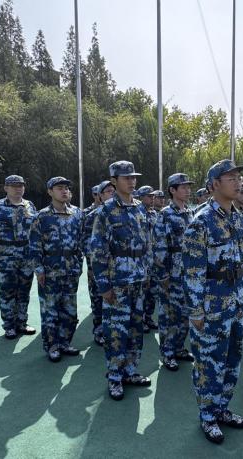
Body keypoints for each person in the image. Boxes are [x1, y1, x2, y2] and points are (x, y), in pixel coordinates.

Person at [182, 159, 243, 444]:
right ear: (214, 185)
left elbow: (241, 263)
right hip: (211, 308)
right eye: (231, 178)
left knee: (232, 360)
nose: (238, 182)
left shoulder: (238, 217)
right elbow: (192, 271)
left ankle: (221, 408)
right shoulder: (201, 222)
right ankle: (207, 416)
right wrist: (196, 310)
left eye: (238, 177)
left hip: (236, 303)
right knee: (209, 364)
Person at [90, 161, 151, 401]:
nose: (132, 181)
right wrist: (104, 285)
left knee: (136, 329)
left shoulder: (139, 207)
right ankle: (115, 376)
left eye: (133, 177)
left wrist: (147, 273)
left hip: (138, 280)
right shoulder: (106, 211)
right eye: (126, 178)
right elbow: (97, 250)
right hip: (117, 283)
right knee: (116, 332)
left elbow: (147, 243)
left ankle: (130, 370)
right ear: (114, 181)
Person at [29, 177, 84, 362]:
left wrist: (79, 264)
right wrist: (39, 270)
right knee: (50, 312)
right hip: (50, 272)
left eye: (66, 188)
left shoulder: (77, 213)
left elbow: (81, 242)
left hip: (71, 271)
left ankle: (65, 343)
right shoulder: (41, 217)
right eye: (59, 188)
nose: (64, 191)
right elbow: (34, 246)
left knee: (70, 311)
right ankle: (52, 346)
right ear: (50, 192)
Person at [0, 175, 37, 339]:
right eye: (14, 186)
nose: (18, 189)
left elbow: (35, 231)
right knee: (7, 292)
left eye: (21, 186)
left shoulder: (30, 206)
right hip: (5, 256)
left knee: (24, 292)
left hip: (27, 256)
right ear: (6, 188)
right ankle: (9, 326)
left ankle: (22, 322)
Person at [153, 173, 195, 371]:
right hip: (172, 275)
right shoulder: (165, 215)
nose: (188, 190)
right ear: (172, 190)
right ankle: (167, 353)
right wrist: (163, 275)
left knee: (185, 314)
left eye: (188, 187)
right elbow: (159, 246)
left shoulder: (190, 212)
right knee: (169, 316)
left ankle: (179, 348)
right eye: (183, 187)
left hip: (189, 274)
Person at [82, 180, 115, 346]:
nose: (112, 194)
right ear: (100, 196)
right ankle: (99, 331)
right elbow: (86, 243)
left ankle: (114, 331)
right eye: (108, 191)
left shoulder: (120, 213)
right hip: (98, 267)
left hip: (117, 268)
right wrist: (96, 262)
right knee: (98, 299)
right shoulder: (92, 216)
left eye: (113, 191)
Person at [135, 185, 159, 333]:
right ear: (141, 197)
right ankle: (141, 319)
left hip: (153, 261)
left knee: (152, 292)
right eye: (149, 196)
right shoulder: (136, 213)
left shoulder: (154, 213)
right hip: (141, 260)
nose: (152, 198)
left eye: (153, 196)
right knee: (141, 293)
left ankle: (148, 317)